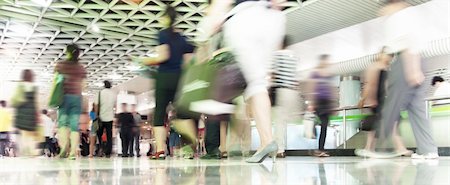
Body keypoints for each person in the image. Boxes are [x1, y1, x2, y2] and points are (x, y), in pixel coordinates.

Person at [204, 0, 286, 163]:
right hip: (272, 18)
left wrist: (212, 19)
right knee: (257, 84)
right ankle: (266, 142)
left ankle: (267, 141)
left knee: (254, 83)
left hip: (244, 19)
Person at [131, 5, 194, 159]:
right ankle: (189, 148)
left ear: (166, 18)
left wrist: (143, 60)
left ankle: (160, 150)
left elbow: (162, 57)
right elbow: (188, 61)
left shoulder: (163, 35)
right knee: (182, 114)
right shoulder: (182, 38)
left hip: (164, 78)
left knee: (159, 115)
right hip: (179, 79)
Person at [377, 0, 438, 159]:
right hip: (418, 60)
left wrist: (413, 69)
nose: (381, 13)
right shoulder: (410, 13)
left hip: (406, 62)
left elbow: (407, 44)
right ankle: (428, 150)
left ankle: (378, 148)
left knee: (392, 104)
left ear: (391, 4)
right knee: (416, 108)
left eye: (383, 9)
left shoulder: (398, 17)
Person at [356, 48, 412, 157]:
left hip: (386, 99)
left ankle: (369, 148)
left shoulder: (387, 67)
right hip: (379, 100)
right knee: (392, 122)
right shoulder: (374, 66)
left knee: (384, 122)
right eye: (387, 54)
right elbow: (370, 84)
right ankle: (399, 148)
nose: (390, 57)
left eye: (391, 55)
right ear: (381, 54)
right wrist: (364, 99)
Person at [55, 44, 87, 160]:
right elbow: (84, 86)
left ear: (67, 52)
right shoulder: (81, 68)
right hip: (77, 98)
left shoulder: (61, 65)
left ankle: (64, 148)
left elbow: (56, 82)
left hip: (64, 97)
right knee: (74, 126)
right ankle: (73, 152)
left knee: (62, 124)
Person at [271, 35, 300, 158]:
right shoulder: (293, 57)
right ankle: (281, 148)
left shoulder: (277, 55)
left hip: (280, 91)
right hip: (291, 92)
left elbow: (274, 74)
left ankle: (279, 149)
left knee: (279, 122)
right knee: (284, 121)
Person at [308, 55, 334, 157]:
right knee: (322, 125)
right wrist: (311, 103)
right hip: (319, 102)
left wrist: (333, 104)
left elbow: (331, 90)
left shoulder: (329, 75)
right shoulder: (315, 73)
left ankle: (320, 149)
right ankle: (320, 149)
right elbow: (311, 88)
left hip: (326, 103)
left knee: (324, 126)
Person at [11, 69, 39, 156]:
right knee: (30, 134)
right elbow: (36, 103)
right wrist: (37, 115)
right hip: (31, 114)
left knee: (23, 134)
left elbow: (15, 100)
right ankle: (31, 150)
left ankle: (25, 151)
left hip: (21, 114)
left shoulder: (20, 85)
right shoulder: (34, 87)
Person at [94, 80, 116, 158]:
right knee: (109, 136)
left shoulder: (100, 93)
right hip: (110, 117)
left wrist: (96, 115)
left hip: (101, 117)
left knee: (99, 134)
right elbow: (114, 105)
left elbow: (96, 105)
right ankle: (108, 152)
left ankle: (100, 148)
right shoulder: (113, 94)